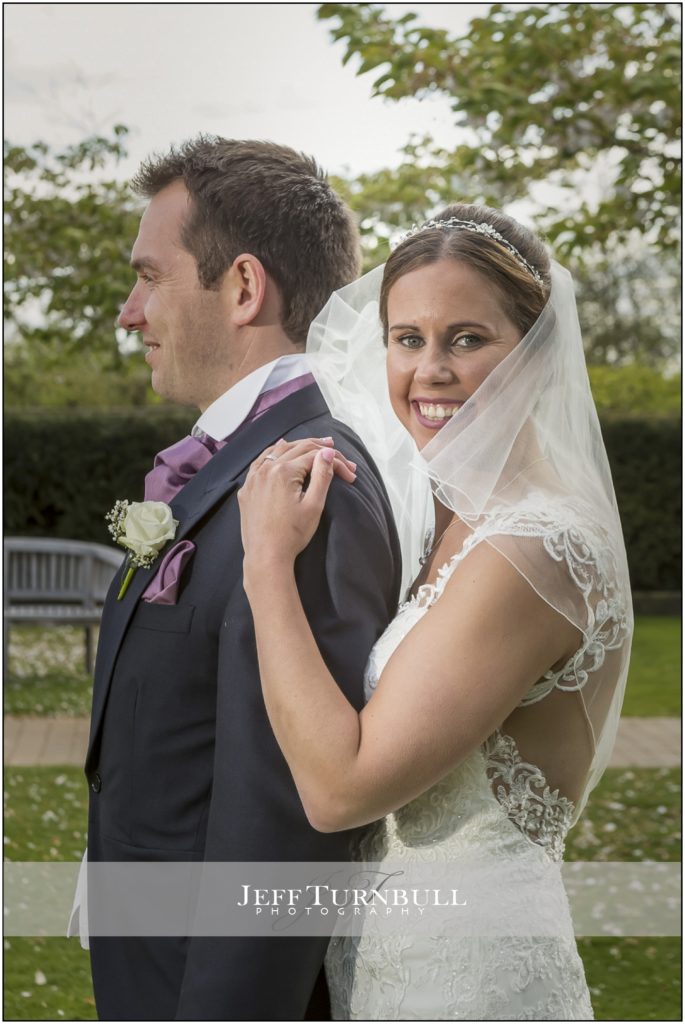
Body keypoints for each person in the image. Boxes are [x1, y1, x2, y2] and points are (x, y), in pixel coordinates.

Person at [237, 204, 634, 1020]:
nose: (429, 371)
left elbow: (340, 790)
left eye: (466, 338)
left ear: (536, 351)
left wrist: (267, 565)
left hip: (471, 976)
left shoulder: (529, 551)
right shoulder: (457, 519)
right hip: (404, 956)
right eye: (406, 338)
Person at [81, 137, 402, 1020]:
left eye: (150, 276)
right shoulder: (236, 464)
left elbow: (283, 828)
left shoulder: (309, 486)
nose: (127, 312)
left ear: (245, 288)